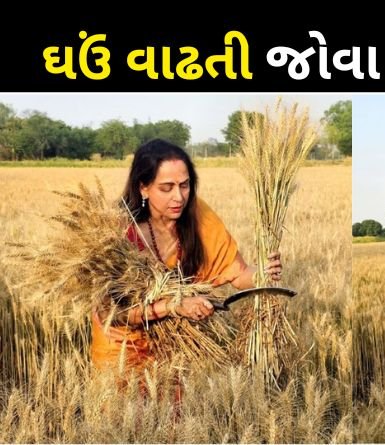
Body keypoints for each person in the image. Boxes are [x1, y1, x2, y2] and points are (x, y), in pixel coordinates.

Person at [90, 138, 283, 374]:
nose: (179, 197)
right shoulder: (114, 233)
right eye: (166, 188)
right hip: (121, 349)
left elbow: (239, 273)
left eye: (184, 185)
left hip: (174, 348)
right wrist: (174, 306)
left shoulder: (197, 216)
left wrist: (262, 273)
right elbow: (112, 313)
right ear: (143, 187)